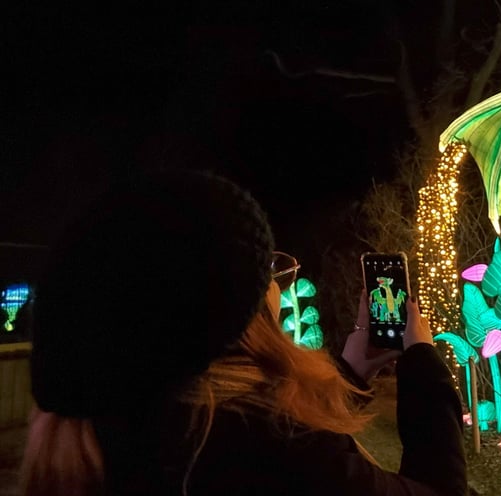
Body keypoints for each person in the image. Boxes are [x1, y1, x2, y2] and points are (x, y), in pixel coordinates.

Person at [21, 170, 466, 495]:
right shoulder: (277, 453)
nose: (275, 283)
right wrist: (421, 359)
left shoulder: (115, 430)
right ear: (231, 314)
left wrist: (352, 371)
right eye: (267, 270)